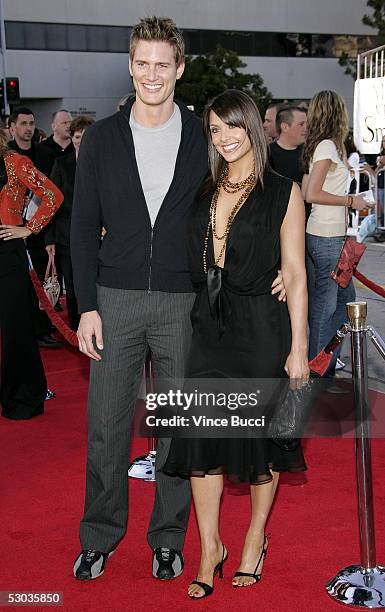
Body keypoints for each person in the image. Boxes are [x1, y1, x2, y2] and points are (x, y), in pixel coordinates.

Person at [70, 16, 287, 582]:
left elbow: (253, 187)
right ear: (130, 65)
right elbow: (80, 224)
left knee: (176, 428)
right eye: (142, 62)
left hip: (181, 302)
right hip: (113, 298)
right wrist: (86, 306)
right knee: (107, 426)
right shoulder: (100, 138)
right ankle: (99, 535)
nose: (151, 74)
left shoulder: (202, 136)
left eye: (162, 64)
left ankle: (169, 538)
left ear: (180, 69)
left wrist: (284, 267)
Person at [163, 89, 309, 599]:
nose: (224, 137)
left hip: (261, 332)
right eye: (215, 129)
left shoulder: (282, 191)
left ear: (253, 126)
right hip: (210, 331)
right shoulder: (204, 190)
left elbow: (293, 272)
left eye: (233, 126)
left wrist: (298, 347)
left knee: (258, 446)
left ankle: (253, 537)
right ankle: (209, 549)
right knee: (203, 445)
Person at [302, 91, 370, 376]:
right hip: (326, 237)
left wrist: (353, 178)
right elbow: (311, 193)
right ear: (337, 114)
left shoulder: (324, 147)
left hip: (329, 236)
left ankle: (324, 364)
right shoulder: (327, 147)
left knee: (342, 303)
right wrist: (350, 201)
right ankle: (318, 371)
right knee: (326, 306)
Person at [0, 129, 63, 419]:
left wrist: (29, 228)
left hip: (7, 254)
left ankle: (25, 395)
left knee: (17, 329)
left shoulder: (14, 162)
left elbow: (52, 194)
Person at [9, 107, 62, 347]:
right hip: (11, 231)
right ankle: (24, 330)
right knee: (19, 287)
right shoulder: (7, 156)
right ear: (12, 127)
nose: (28, 128)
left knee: (42, 279)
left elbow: (52, 195)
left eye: (31, 123)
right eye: (23, 124)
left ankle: (43, 328)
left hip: (39, 230)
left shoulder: (46, 154)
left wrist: (43, 232)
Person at [46, 115, 94, 330]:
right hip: (67, 236)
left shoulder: (102, 162)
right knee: (73, 285)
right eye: (76, 136)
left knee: (96, 283)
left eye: (85, 136)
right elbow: (50, 202)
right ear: (71, 137)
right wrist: (50, 239)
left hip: (97, 236)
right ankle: (77, 330)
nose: (80, 141)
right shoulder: (61, 163)